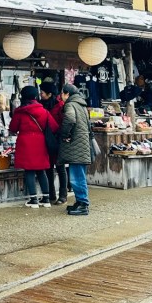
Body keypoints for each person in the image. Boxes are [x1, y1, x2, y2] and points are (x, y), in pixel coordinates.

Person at [8, 85, 58, 208]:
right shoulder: (44, 111)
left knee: (29, 171)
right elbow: (55, 127)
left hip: (26, 143)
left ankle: (33, 200)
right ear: (35, 96)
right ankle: (46, 199)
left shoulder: (20, 112)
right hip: (41, 143)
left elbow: (13, 128)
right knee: (41, 170)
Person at [59, 83, 93, 216]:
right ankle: (80, 202)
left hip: (76, 146)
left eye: (62, 93)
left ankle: (83, 204)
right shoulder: (82, 105)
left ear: (67, 94)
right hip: (82, 145)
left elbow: (70, 119)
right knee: (79, 175)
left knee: (77, 177)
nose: (61, 96)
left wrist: (65, 134)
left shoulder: (70, 105)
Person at [39, 79, 68, 205]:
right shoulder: (41, 105)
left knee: (60, 167)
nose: (41, 94)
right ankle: (51, 195)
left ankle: (63, 195)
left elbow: (64, 122)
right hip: (46, 140)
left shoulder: (60, 106)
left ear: (49, 94)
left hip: (58, 140)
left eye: (43, 92)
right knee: (48, 168)